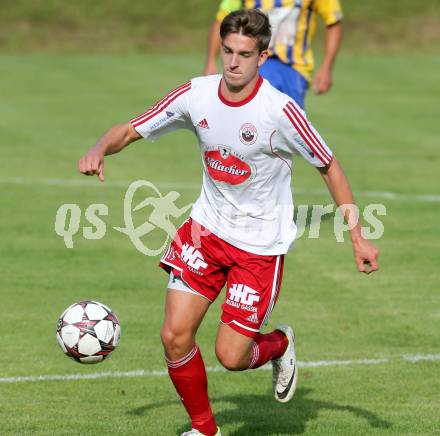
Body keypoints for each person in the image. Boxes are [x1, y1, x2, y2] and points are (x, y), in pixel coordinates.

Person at [78, 10, 379, 436]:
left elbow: (329, 166)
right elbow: (131, 129)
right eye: (227, 51)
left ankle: (280, 343)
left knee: (231, 357)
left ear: (263, 56)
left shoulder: (280, 111)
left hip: (257, 247)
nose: (234, 62)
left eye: (244, 54)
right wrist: (98, 148)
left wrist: (358, 238)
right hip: (205, 231)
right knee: (175, 336)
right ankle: (204, 430)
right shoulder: (196, 95)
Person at [204, 0, 343, 109]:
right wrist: (211, 61)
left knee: (288, 132)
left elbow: (333, 22)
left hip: (294, 68)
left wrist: (326, 68)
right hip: (254, 64)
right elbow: (223, 18)